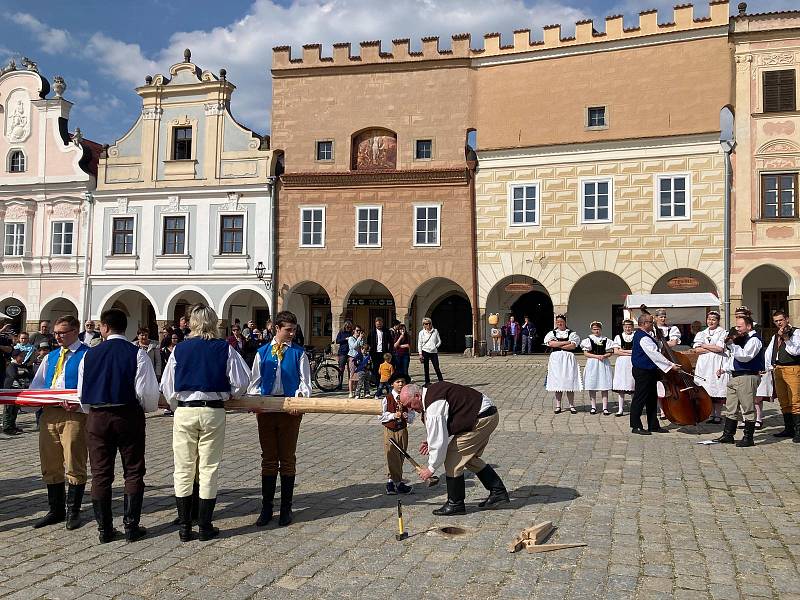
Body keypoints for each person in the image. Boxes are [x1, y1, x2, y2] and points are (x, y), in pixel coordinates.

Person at [161, 304, 251, 542]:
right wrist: (231, 393)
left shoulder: (179, 349)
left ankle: (184, 526)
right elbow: (242, 380)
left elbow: (168, 386)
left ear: (191, 323)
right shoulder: (224, 348)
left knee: (183, 467)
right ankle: (204, 525)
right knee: (208, 468)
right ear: (213, 323)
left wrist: (175, 405)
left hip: (185, 410)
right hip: (212, 410)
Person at [78, 309, 160, 543]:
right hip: (126, 413)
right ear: (127, 328)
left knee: (100, 474)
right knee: (133, 470)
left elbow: (82, 393)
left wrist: (93, 411)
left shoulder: (89, 355)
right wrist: (141, 409)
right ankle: (131, 527)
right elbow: (147, 393)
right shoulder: (137, 354)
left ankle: (104, 530)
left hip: (98, 416)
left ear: (104, 327)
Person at [399, 381, 509, 515]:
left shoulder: (433, 404)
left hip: (481, 418)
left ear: (417, 395)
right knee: (467, 458)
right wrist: (430, 440)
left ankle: (455, 503)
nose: (410, 409)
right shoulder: (429, 393)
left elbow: (439, 441)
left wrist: (430, 469)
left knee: (452, 456)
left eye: (410, 405)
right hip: (485, 414)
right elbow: (441, 430)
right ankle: (498, 492)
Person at [249, 310, 312, 528]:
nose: (292, 334)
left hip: (289, 411)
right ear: (276, 329)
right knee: (268, 458)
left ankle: (286, 508)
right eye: (288, 330)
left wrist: (300, 401)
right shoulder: (262, 352)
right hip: (267, 410)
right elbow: (254, 383)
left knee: (286, 458)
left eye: (294, 330)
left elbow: (305, 383)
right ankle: (267, 508)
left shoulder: (298, 353)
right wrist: (256, 402)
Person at [28, 315, 90, 530]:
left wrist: (80, 404)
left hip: (74, 415)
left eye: (62, 332)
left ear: (75, 331)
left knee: (74, 460)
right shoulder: (51, 356)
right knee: (50, 462)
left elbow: (90, 387)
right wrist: (27, 400)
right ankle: (56, 510)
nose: (57, 336)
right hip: (49, 414)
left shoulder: (86, 355)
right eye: (55, 333)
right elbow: (37, 386)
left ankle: (73, 510)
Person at [715, 315, 764, 447]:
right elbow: (734, 359)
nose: (737, 329)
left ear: (748, 326)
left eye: (740, 326)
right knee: (731, 408)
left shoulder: (754, 340)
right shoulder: (743, 339)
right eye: (736, 326)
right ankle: (728, 435)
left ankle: (748, 437)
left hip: (747, 376)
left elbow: (745, 357)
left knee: (748, 408)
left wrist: (732, 345)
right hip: (735, 376)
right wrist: (725, 369)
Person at [630, 313, 679, 435]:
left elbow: (657, 346)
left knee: (652, 398)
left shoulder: (647, 335)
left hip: (650, 371)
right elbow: (655, 354)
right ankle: (636, 426)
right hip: (643, 371)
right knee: (639, 398)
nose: (653, 324)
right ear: (644, 324)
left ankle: (653, 425)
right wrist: (671, 365)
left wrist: (665, 342)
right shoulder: (643, 337)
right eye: (651, 322)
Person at [764, 309, 800, 442]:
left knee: (795, 400)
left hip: (793, 368)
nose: (779, 323)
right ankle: (789, 429)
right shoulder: (775, 336)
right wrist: (768, 367)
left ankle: (798, 431)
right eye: (776, 321)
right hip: (778, 368)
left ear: (787, 319)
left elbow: (795, 351)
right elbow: (769, 352)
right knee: (784, 401)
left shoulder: (796, 333)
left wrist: (786, 338)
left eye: (781, 320)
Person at [380, 373, 415, 495]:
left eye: (403, 382)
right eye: (398, 382)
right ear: (392, 384)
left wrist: (407, 416)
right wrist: (393, 415)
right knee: (391, 456)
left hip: (402, 430)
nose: (400, 384)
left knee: (401, 456)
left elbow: (412, 415)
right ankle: (395, 483)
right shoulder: (387, 398)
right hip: (390, 430)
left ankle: (393, 482)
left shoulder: (407, 398)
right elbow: (381, 416)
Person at [692, 311, 728, 425]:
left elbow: (720, 348)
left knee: (717, 388)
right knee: (707, 389)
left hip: (717, 363)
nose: (710, 321)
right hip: (704, 365)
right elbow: (696, 349)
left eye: (713, 319)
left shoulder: (723, 332)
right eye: (709, 319)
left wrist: (704, 345)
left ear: (717, 321)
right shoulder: (701, 333)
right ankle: (711, 414)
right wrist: (712, 347)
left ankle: (718, 415)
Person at [544, 314, 582, 413]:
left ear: (565, 322)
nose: (559, 323)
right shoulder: (552, 333)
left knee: (569, 381)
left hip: (568, 359)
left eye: (561, 322)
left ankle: (571, 405)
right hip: (556, 360)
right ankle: (558, 405)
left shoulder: (572, 333)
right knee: (558, 382)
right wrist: (566, 342)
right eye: (558, 322)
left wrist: (558, 344)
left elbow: (573, 346)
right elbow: (551, 344)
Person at [581, 321, 613, 415]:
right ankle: (593, 407)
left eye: (598, 329)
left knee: (604, 385)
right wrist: (596, 356)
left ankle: (605, 407)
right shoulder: (588, 340)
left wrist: (604, 356)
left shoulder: (606, 340)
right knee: (592, 384)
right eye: (594, 329)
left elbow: (610, 352)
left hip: (603, 363)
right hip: (593, 363)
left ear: (601, 329)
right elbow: (586, 353)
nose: (596, 331)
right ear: (592, 330)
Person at [653, 309, 681, 419]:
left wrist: (658, 344)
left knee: (671, 383)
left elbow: (673, 342)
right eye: (660, 317)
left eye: (664, 316)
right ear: (656, 317)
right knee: (658, 384)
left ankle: (672, 407)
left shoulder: (672, 329)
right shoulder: (653, 329)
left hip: (668, 358)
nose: (663, 318)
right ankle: (661, 409)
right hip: (656, 360)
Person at [3, 349, 32, 435]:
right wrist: (23, 373)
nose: (23, 358)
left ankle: (12, 425)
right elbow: (13, 375)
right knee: (9, 410)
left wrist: (24, 372)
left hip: (19, 391)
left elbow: (30, 374)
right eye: (21, 356)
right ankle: (7, 427)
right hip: (10, 391)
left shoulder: (23, 365)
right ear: (15, 357)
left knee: (15, 410)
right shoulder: (11, 366)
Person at [611, 319, 636, 417]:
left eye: (629, 326)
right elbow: (616, 352)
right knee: (621, 385)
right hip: (621, 363)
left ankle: (634, 408)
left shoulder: (635, 336)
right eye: (626, 326)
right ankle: (620, 409)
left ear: (632, 327)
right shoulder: (618, 337)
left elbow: (637, 351)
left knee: (632, 385)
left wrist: (623, 350)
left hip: (633, 363)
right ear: (623, 327)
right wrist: (630, 352)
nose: (628, 328)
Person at [367, 317, 394, 386]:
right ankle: (377, 384)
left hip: (384, 353)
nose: (379, 325)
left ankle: (385, 383)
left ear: (382, 323)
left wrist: (389, 352)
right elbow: (368, 342)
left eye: (380, 324)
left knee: (384, 369)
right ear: (375, 324)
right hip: (375, 353)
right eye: (377, 324)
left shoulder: (386, 331)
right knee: (376, 369)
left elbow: (391, 342)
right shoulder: (372, 332)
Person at [418, 318, 443, 385]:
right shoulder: (421, 333)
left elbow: (439, 341)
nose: (428, 325)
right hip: (425, 351)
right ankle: (427, 382)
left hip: (434, 352)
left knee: (436, 367)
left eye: (429, 323)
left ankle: (441, 381)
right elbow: (419, 343)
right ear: (423, 325)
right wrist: (420, 354)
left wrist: (436, 346)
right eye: (426, 324)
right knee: (426, 368)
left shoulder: (435, 331)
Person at [335, 321, 354, 390]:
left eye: (349, 327)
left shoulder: (352, 332)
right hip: (342, 352)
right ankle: (340, 384)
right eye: (347, 327)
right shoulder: (341, 332)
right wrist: (345, 339)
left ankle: (350, 385)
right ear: (345, 326)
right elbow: (337, 341)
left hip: (350, 353)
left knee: (350, 369)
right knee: (341, 369)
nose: (348, 328)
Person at [347, 326, 364, 398]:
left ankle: (356, 392)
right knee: (352, 375)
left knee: (358, 375)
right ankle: (350, 392)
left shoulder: (359, 338)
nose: (359, 332)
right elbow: (354, 346)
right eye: (357, 330)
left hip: (359, 358)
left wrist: (361, 339)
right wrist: (359, 338)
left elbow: (361, 346)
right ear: (353, 331)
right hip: (352, 358)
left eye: (360, 330)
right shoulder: (351, 338)